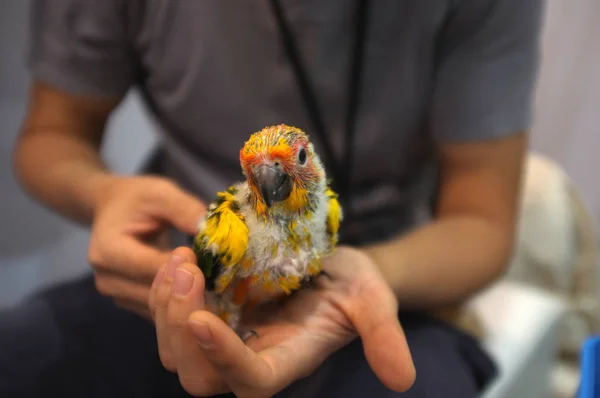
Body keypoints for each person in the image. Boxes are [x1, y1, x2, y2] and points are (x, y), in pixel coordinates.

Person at [1, 0, 544, 397]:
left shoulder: (326, 214)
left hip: (390, 279)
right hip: (183, 282)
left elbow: (483, 222)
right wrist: (104, 193)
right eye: (262, 174)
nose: (274, 183)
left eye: (293, 165)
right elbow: (54, 132)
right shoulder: (229, 229)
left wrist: (353, 273)